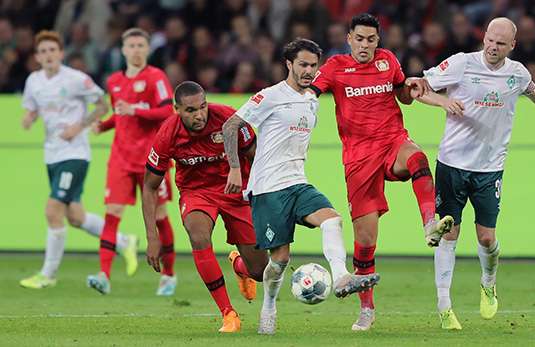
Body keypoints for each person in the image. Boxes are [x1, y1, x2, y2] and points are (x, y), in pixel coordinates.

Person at [415, 17, 535, 330]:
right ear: (483, 37)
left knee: (486, 238)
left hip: (489, 168)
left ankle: (488, 282)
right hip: (452, 164)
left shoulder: (517, 73)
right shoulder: (461, 64)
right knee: (449, 235)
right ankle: (445, 308)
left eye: (500, 43)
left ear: (512, 45)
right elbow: (417, 87)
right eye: (490, 40)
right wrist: (443, 101)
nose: (493, 48)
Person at [222, 38, 380, 335]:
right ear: (289, 64)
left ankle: (342, 276)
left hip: (297, 183)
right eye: (303, 65)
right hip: (268, 188)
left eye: (313, 66)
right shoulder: (269, 96)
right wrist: (234, 168)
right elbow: (230, 125)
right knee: (279, 261)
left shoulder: (312, 99)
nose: (309, 71)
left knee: (332, 220)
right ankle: (269, 303)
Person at [309, 13, 454, 331]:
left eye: (371, 40)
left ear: (378, 41)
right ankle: (366, 309)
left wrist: (412, 88)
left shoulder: (388, 61)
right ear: (349, 39)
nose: (365, 45)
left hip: (392, 141)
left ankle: (430, 223)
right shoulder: (335, 68)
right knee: (365, 239)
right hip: (359, 159)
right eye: (359, 39)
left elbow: (403, 95)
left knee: (417, 158)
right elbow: (311, 94)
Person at [143, 81, 268, 333]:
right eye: (190, 110)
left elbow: (257, 156)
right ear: (176, 109)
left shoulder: (228, 119)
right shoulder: (168, 134)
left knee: (260, 272)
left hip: (236, 191)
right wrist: (151, 237)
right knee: (198, 236)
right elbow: (149, 187)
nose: (199, 115)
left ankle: (239, 266)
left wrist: (260, 197)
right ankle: (228, 314)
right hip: (197, 193)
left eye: (202, 107)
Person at [19, 30, 138, 289]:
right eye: (43, 51)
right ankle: (124, 242)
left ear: (61, 53)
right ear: (37, 57)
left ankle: (47, 275)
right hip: (51, 154)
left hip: (75, 154)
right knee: (75, 216)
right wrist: (29, 117)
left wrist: (79, 126)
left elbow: (102, 106)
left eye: (53, 50)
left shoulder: (76, 79)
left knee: (53, 210)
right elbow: (32, 108)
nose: (48, 55)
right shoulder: (34, 81)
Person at [87, 28, 177, 296]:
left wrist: (136, 109)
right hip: (121, 160)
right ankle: (104, 275)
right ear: (123, 50)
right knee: (111, 214)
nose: (136, 50)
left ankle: (169, 275)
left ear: (147, 49)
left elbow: (166, 111)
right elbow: (119, 115)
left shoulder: (156, 77)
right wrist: (103, 127)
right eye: (131, 45)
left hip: (152, 161)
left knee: (159, 217)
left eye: (141, 45)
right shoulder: (114, 81)